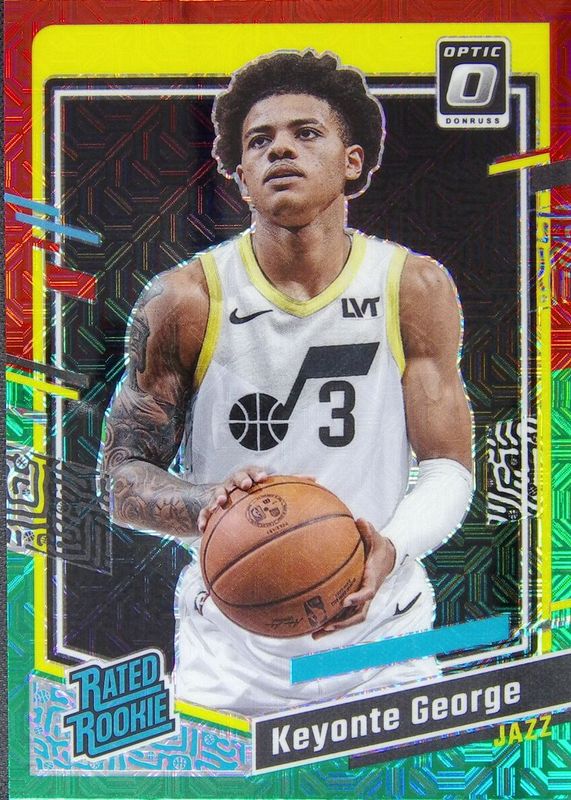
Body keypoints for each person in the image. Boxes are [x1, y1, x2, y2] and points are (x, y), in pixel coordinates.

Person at [101, 50, 473, 715]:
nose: (279, 150)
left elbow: (447, 466)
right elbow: (121, 480)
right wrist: (209, 504)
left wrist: (392, 547)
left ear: (352, 161)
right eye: (258, 141)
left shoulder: (411, 286)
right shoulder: (184, 300)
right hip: (231, 651)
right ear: (240, 177)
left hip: (382, 639)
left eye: (306, 133)